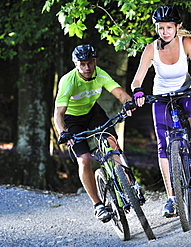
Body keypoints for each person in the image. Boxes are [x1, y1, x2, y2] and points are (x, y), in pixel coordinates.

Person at [131, 6, 191, 218]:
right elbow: (137, 79)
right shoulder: (151, 49)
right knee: (162, 145)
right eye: (160, 28)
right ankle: (172, 198)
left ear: (177, 27)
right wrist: (138, 92)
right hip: (161, 96)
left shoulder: (186, 43)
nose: (165, 31)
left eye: (169, 27)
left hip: (185, 90)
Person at [54, 44, 135, 223]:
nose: (87, 68)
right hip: (72, 120)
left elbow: (120, 93)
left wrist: (129, 103)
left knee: (113, 143)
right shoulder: (68, 81)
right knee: (84, 160)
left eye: (90, 63)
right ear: (75, 64)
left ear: (95, 61)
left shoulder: (100, 74)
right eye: (82, 64)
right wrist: (63, 132)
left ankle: (130, 188)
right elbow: (58, 114)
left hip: (93, 113)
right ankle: (98, 205)